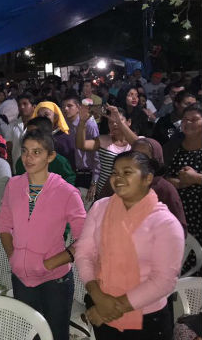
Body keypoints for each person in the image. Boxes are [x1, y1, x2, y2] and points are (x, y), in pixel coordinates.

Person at [75, 151, 184, 339]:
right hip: (102, 304)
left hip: (147, 319)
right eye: (114, 173)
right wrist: (98, 296)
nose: (118, 178)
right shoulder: (101, 207)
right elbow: (84, 253)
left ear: (147, 178)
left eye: (127, 173)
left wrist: (111, 308)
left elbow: (164, 280)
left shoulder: (165, 223)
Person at [0, 129, 86, 340]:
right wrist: (13, 256)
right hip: (22, 278)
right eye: (26, 151)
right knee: (29, 334)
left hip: (54, 280)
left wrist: (49, 264)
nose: (28, 158)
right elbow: (4, 225)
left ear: (51, 156)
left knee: (55, 335)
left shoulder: (66, 192)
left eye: (37, 152)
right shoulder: (14, 185)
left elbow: (85, 238)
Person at [99, 138, 187, 233]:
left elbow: (179, 230)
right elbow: (98, 213)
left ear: (155, 161)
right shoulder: (116, 181)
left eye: (143, 157)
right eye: (134, 156)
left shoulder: (165, 189)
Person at [165, 104, 202, 275]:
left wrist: (196, 178)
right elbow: (159, 175)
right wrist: (176, 183)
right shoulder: (174, 145)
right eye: (185, 119)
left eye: (194, 119)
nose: (188, 123)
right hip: (176, 213)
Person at [76, 105, 138, 197]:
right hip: (105, 193)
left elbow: (139, 144)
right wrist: (82, 122)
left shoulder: (136, 141)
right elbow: (81, 145)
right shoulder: (103, 140)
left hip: (128, 193)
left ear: (129, 122)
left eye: (118, 121)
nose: (114, 124)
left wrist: (120, 123)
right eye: (110, 122)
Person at [15, 117, 77, 185]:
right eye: (28, 133)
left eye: (34, 133)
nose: (30, 136)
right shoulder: (22, 162)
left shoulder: (59, 162)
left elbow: (69, 185)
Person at [62, 94, 100, 197]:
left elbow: (97, 155)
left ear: (78, 107)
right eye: (63, 106)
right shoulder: (65, 125)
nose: (66, 109)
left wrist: (94, 182)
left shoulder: (90, 124)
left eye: (69, 106)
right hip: (72, 174)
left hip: (87, 175)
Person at [33, 101, 75, 169]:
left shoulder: (65, 139)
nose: (42, 118)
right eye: (39, 116)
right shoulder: (34, 138)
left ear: (55, 117)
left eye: (46, 115)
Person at [8, 92, 35, 172]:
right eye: (19, 105)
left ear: (33, 107)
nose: (22, 107)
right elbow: (9, 149)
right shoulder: (12, 125)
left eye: (25, 104)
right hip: (17, 168)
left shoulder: (39, 125)